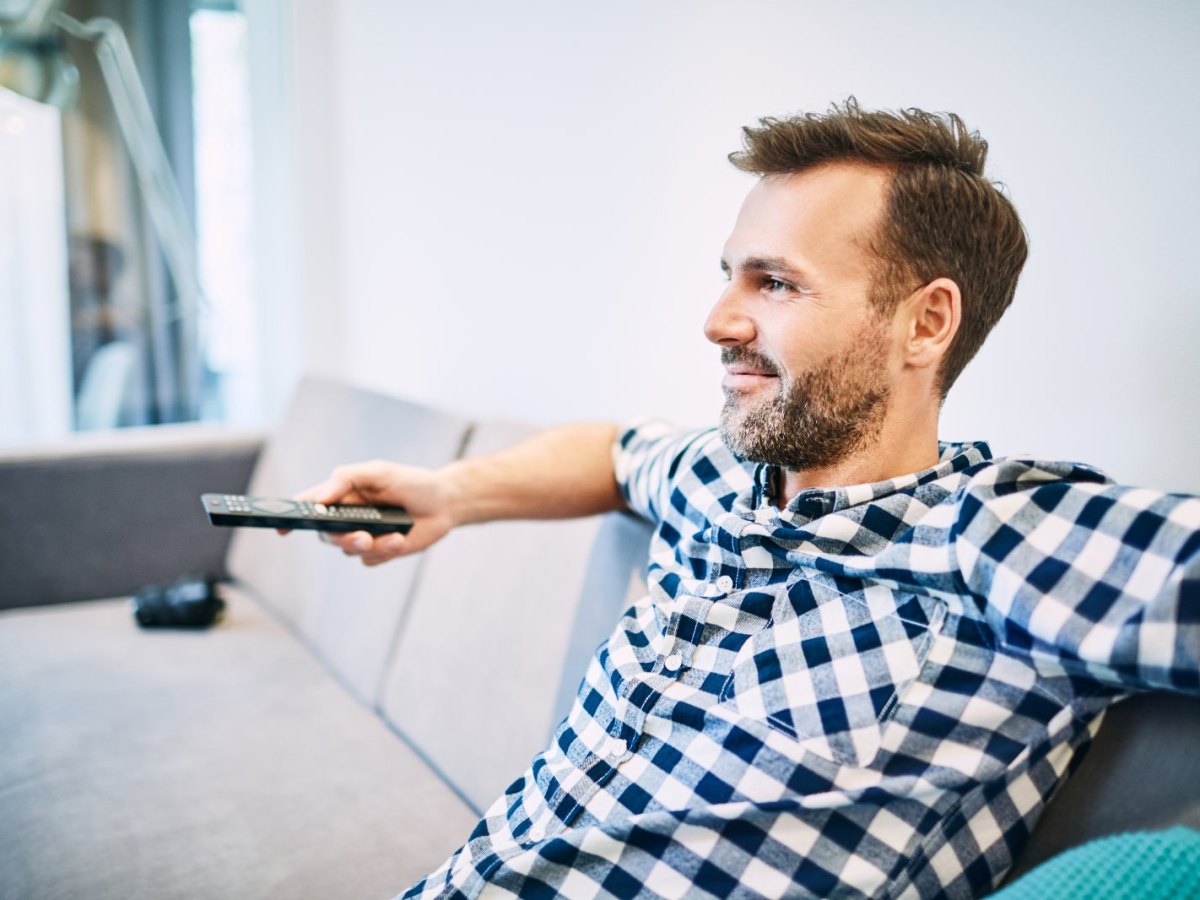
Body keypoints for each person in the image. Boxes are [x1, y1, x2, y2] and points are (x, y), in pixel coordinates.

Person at [292, 100, 1200, 898]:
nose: (719, 320)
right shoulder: (721, 480)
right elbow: (613, 451)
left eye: (775, 282)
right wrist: (450, 491)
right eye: (729, 273)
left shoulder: (999, 536)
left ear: (925, 322)